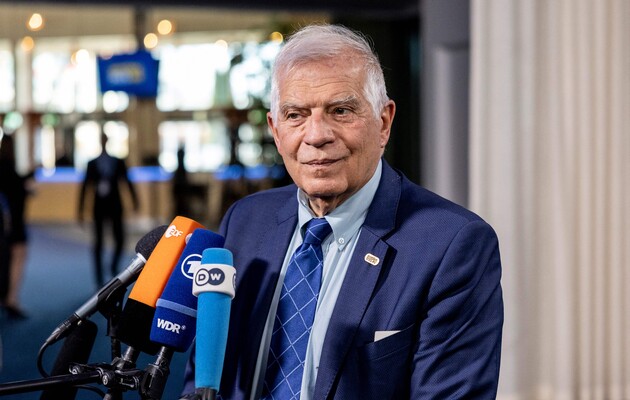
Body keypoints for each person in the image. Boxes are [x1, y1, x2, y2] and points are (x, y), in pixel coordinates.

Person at [181, 24, 503, 399]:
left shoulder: (452, 245)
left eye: (341, 111)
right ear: (275, 130)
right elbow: (204, 376)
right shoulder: (245, 222)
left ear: (384, 123)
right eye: (296, 115)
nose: (317, 135)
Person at [78, 133, 139, 288]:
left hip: (115, 205)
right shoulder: (92, 163)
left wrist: (135, 201)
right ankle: (98, 277)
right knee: (98, 242)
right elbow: (85, 187)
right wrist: (80, 210)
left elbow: (127, 181)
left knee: (120, 239)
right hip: (98, 207)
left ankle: (113, 266)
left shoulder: (118, 161)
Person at [0, 133, 36, 320]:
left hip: (5, 221)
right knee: (18, 257)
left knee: (6, 259)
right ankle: (11, 299)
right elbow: (17, 190)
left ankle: (7, 297)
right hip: (13, 221)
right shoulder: (8, 167)